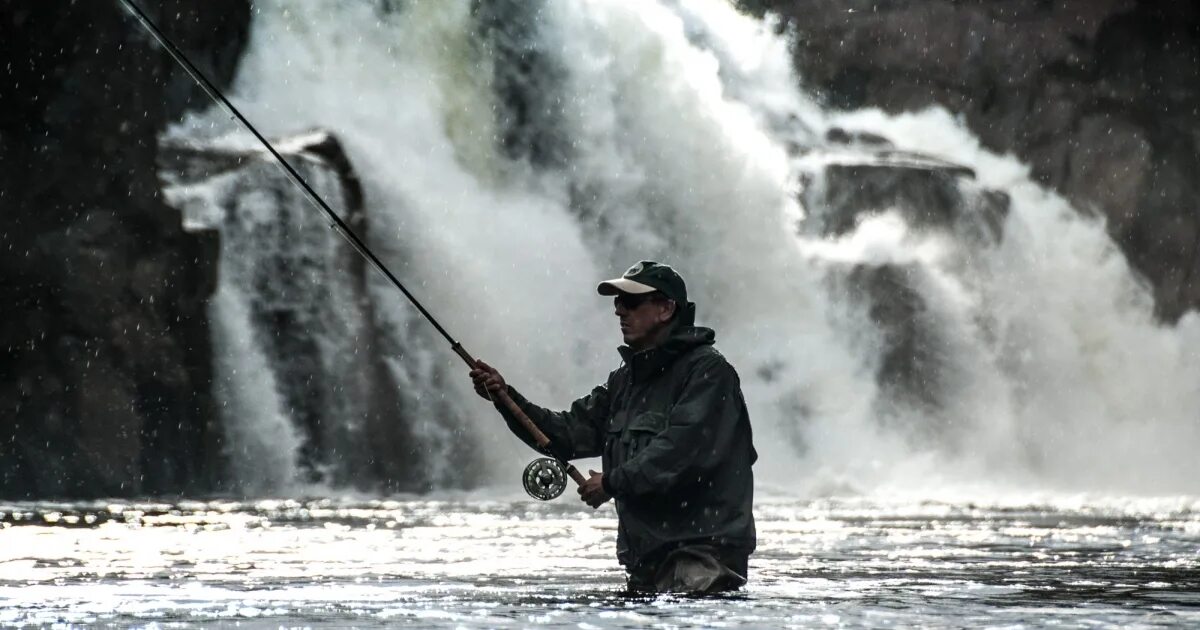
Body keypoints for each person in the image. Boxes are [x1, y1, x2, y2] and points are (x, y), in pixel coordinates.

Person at [469, 261, 757, 593]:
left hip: (704, 559)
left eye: (631, 302)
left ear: (665, 309)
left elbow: (681, 451)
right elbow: (563, 436)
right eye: (617, 302)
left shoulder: (709, 373)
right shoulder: (625, 381)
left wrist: (611, 482)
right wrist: (505, 398)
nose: (619, 310)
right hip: (647, 563)